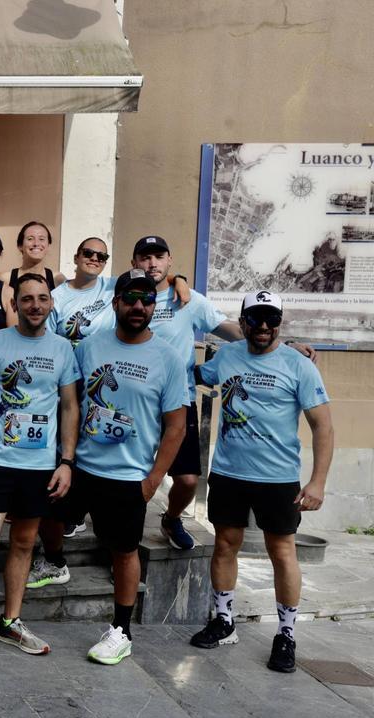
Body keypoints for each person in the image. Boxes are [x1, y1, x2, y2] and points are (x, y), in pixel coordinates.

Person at [131, 235, 314, 553]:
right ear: (134, 262)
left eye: (159, 257)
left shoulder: (189, 300)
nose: (152, 263)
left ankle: (171, 518)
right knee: (129, 474)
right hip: (134, 400)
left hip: (178, 402)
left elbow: (232, 330)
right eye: (145, 258)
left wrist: (283, 345)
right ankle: (122, 535)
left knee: (188, 480)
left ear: (170, 260)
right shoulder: (125, 295)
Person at [190, 291, 333, 674]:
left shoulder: (299, 365)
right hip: (229, 473)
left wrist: (317, 482)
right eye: (256, 318)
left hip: (278, 478)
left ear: (280, 323)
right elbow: (193, 374)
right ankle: (224, 621)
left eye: (272, 319)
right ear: (243, 322)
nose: (264, 326)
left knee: (282, 552)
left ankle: (286, 634)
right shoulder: (227, 356)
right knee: (225, 545)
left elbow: (323, 426)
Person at [0, 274, 79, 660]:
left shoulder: (62, 349)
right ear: (14, 304)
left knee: (24, 543)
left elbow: (70, 406)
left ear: (51, 304)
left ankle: (11, 622)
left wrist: (66, 462)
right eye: (27, 299)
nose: (35, 305)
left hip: (39, 467)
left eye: (42, 298)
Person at [64, 269, 186, 665]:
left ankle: (121, 630)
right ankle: (53, 562)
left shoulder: (168, 357)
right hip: (82, 466)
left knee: (124, 551)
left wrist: (154, 479)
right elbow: (71, 402)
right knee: (45, 520)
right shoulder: (89, 347)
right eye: (130, 298)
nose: (138, 306)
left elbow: (177, 426)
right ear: (115, 302)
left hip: (129, 476)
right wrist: (65, 458)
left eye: (146, 300)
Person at [0, 222, 65, 328]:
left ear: (48, 245)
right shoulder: (5, 278)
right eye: (30, 239)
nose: (36, 243)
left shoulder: (58, 279)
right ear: (20, 246)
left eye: (42, 239)